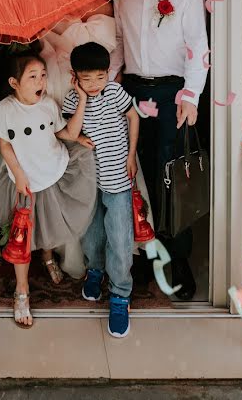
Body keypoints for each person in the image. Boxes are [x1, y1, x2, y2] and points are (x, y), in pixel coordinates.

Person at [109, 0, 209, 300]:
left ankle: (177, 259)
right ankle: (138, 256)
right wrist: (113, 79)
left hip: (172, 95)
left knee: (171, 180)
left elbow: (198, 45)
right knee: (130, 176)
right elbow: (119, 40)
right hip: (130, 92)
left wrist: (191, 96)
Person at [0, 49, 97, 328]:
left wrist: (80, 114)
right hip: (24, 182)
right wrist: (18, 173)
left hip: (52, 172)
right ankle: (21, 290)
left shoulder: (48, 104)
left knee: (48, 225)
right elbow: (5, 145)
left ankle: (48, 257)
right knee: (22, 237)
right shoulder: (6, 108)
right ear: (15, 82)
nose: (40, 82)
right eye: (33, 76)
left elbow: (63, 132)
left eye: (43, 76)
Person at [62, 42, 140, 338]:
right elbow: (72, 130)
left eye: (100, 76)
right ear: (75, 77)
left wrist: (131, 154)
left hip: (118, 177)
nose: (94, 84)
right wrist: (81, 98)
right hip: (88, 179)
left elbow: (133, 117)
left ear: (108, 73)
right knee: (91, 231)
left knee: (120, 236)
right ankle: (95, 270)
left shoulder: (116, 92)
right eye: (86, 79)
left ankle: (120, 295)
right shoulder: (74, 98)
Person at [39, 2, 116, 278]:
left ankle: (109, 254)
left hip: (100, 89)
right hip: (61, 88)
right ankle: (67, 248)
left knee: (103, 178)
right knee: (66, 171)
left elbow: (112, 47)